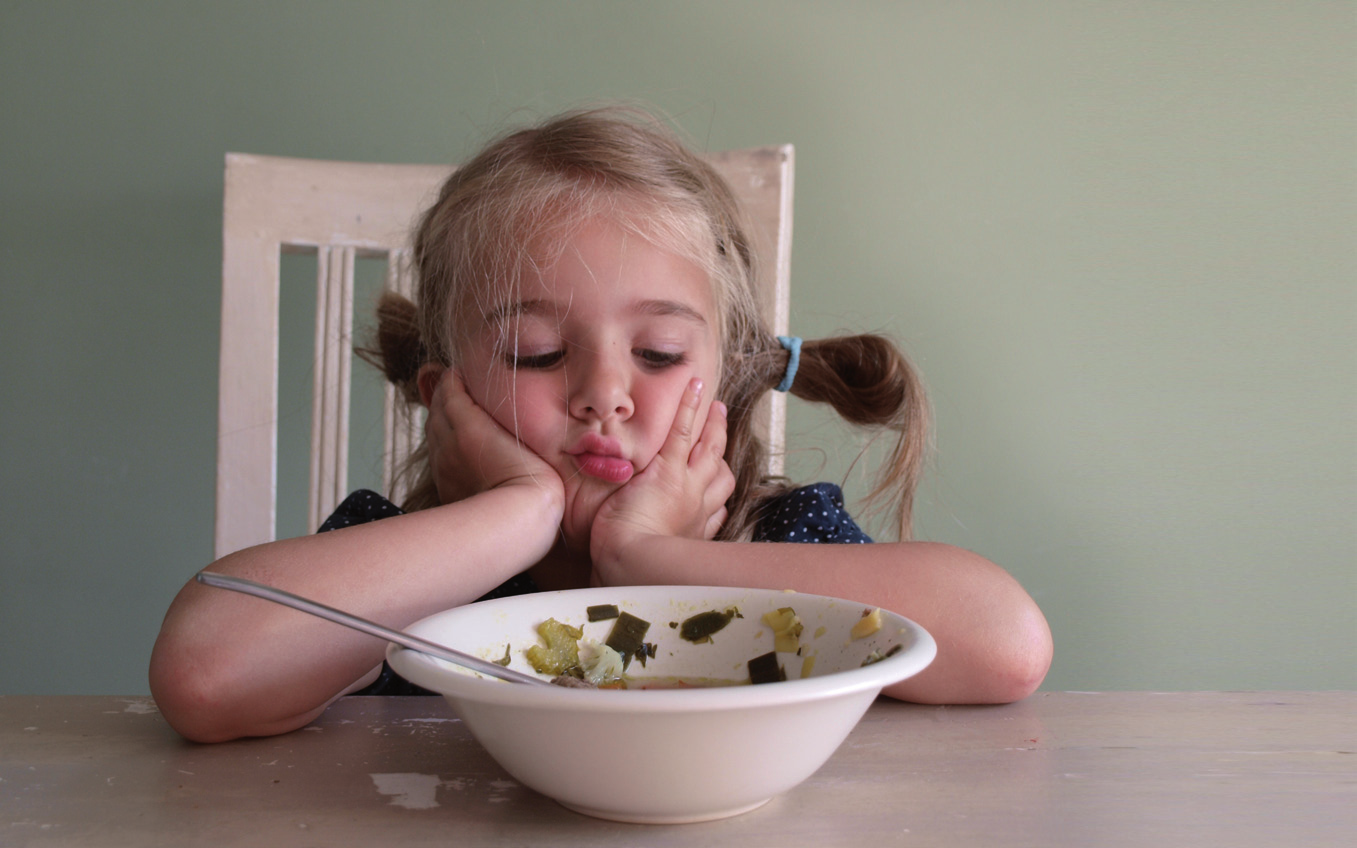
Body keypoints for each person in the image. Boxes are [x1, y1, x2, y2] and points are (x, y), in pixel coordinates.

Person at [150, 107, 1051, 743]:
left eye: (658, 354)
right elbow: (205, 675)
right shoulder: (401, 561)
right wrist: (514, 512)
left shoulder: (771, 539)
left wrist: (656, 559)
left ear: (726, 382)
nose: (604, 394)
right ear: (444, 393)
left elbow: (1003, 648)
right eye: (537, 352)